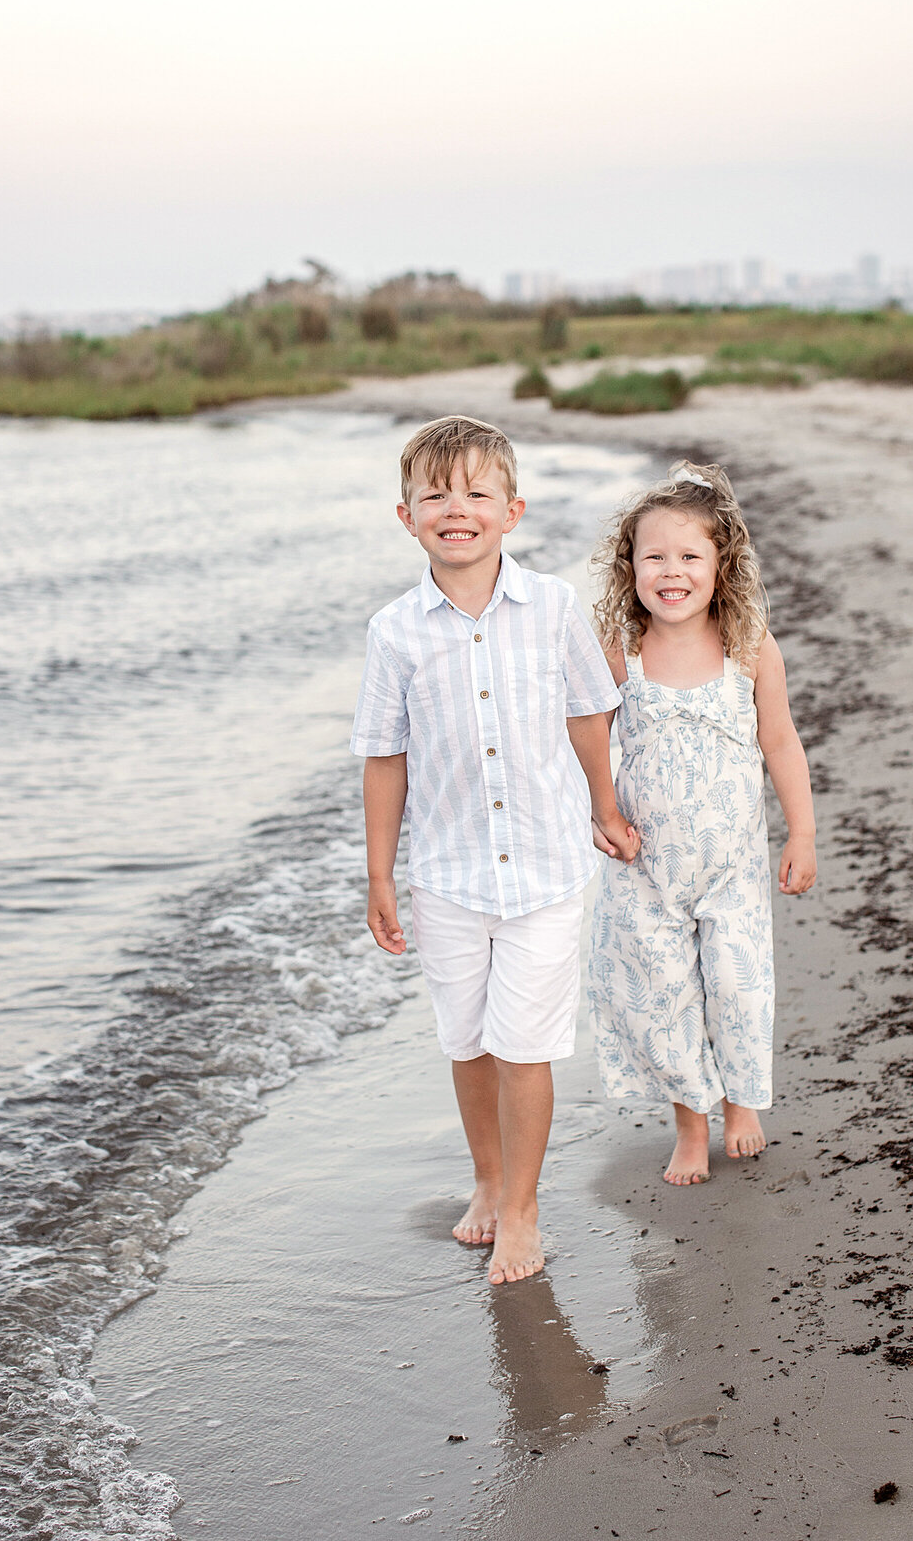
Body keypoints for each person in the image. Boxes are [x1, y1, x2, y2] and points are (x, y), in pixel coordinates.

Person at [351, 414, 638, 1284]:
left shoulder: (551, 607)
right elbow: (385, 756)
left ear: (512, 510)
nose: (457, 509)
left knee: (526, 1044)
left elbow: (589, 715)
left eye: (477, 493)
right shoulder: (395, 632)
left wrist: (606, 807)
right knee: (468, 1041)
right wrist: (380, 874)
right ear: (406, 517)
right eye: (435, 495)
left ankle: (522, 1210)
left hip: (547, 867)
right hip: (446, 875)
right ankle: (486, 1179)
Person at [587, 461, 816, 1187]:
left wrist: (802, 833)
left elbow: (780, 742)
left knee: (737, 987)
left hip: (732, 867)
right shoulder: (619, 651)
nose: (671, 571)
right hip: (644, 865)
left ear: (723, 566)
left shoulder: (748, 648)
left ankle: (743, 1102)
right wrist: (602, 810)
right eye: (654, 556)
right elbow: (586, 735)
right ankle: (692, 1119)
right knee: (663, 993)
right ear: (630, 567)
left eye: (690, 556)